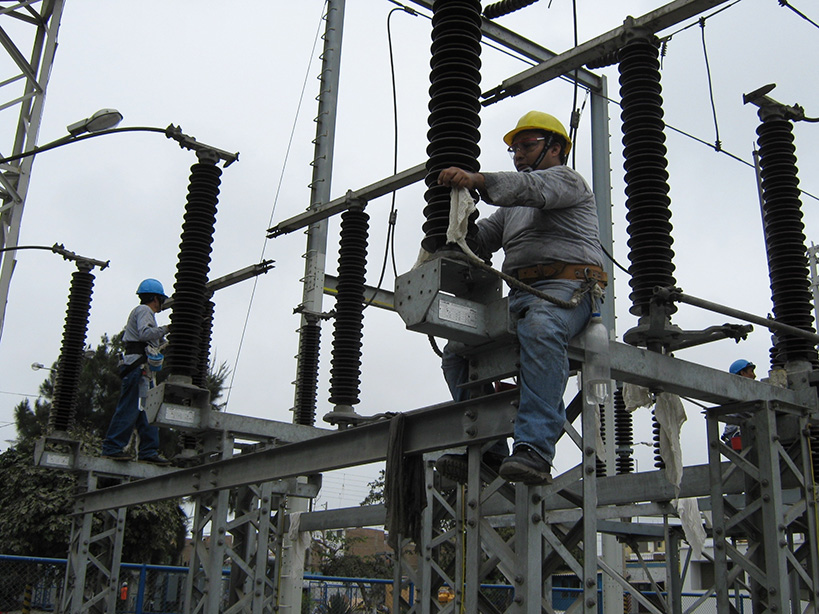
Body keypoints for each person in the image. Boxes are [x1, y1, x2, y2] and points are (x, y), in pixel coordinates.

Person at [435, 111, 605, 485]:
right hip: (522, 296)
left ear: (556, 148)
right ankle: (489, 448)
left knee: (542, 327)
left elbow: (530, 189)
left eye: (527, 146)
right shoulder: (510, 211)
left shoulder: (567, 181)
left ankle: (535, 449)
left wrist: (479, 180)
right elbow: (480, 240)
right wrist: (451, 220)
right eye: (514, 149)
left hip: (567, 292)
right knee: (457, 349)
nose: (518, 155)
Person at [102, 278, 171, 465]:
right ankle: (112, 448)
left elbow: (148, 341)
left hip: (143, 369)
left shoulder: (143, 312)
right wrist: (166, 328)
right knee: (130, 407)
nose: (161, 304)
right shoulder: (144, 310)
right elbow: (145, 334)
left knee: (147, 411)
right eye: (161, 300)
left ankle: (148, 450)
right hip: (137, 368)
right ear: (155, 298)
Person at [721, 359, 756, 447]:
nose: (754, 375)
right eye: (751, 371)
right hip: (738, 435)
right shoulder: (737, 393)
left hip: (739, 434)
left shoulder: (745, 392)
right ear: (742, 373)